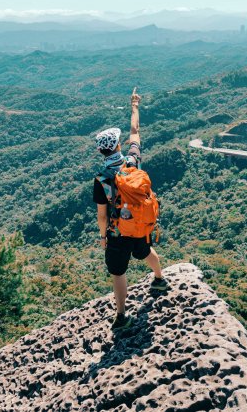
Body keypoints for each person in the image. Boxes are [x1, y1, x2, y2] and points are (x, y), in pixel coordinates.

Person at [93, 88, 169, 331]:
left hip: (117, 232)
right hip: (139, 226)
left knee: (118, 272)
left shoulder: (101, 180)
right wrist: (134, 105)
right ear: (117, 145)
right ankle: (159, 279)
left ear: (100, 151)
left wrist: (103, 237)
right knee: (146, 250)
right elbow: (135, 132)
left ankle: (122, 316)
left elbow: (102, 216)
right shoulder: (132, 161)